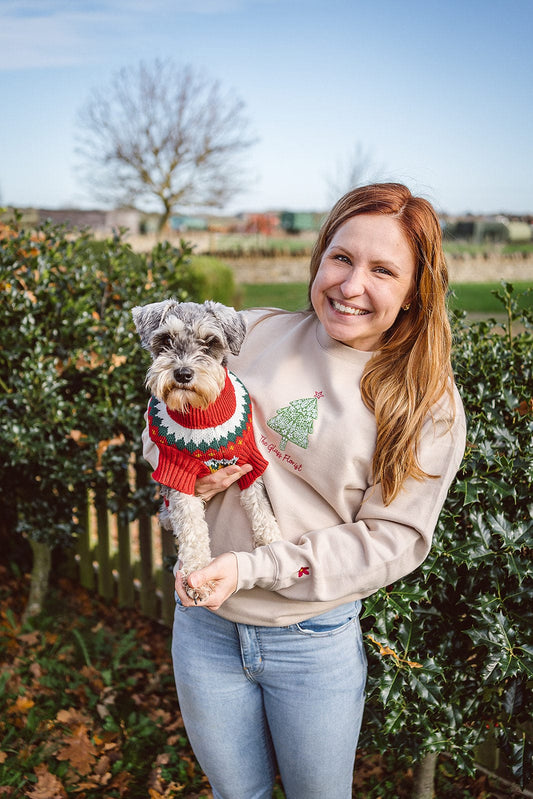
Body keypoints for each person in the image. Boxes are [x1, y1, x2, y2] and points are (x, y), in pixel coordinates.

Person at [142, 182, 466, 799]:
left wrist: (248, 566)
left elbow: (392, 541)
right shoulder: (256, 332)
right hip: (206, 629)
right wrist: (184, 478)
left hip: (310, 640)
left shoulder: (427, 404)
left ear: (414, 293)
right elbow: (165, 418)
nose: (350, 285)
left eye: (382, 270)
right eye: (341, 258)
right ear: (319, 257)